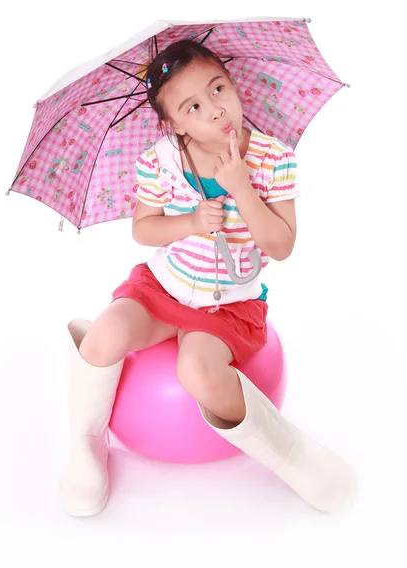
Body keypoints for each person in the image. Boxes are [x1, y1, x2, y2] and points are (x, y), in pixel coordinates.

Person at [60, 39, 356, 517]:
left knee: (196, 371)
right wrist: (191, 223)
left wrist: (243, 189)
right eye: (192, 106)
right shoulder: (162, 160)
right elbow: (143, 227)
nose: (216, 110)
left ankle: (292, 453)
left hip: (229, 302)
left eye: (219, 88)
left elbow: (281, 246)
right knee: (103, 336)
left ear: (234, 83)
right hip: (165, 285)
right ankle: (87, 442)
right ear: (173, 123)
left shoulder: (271, 159)